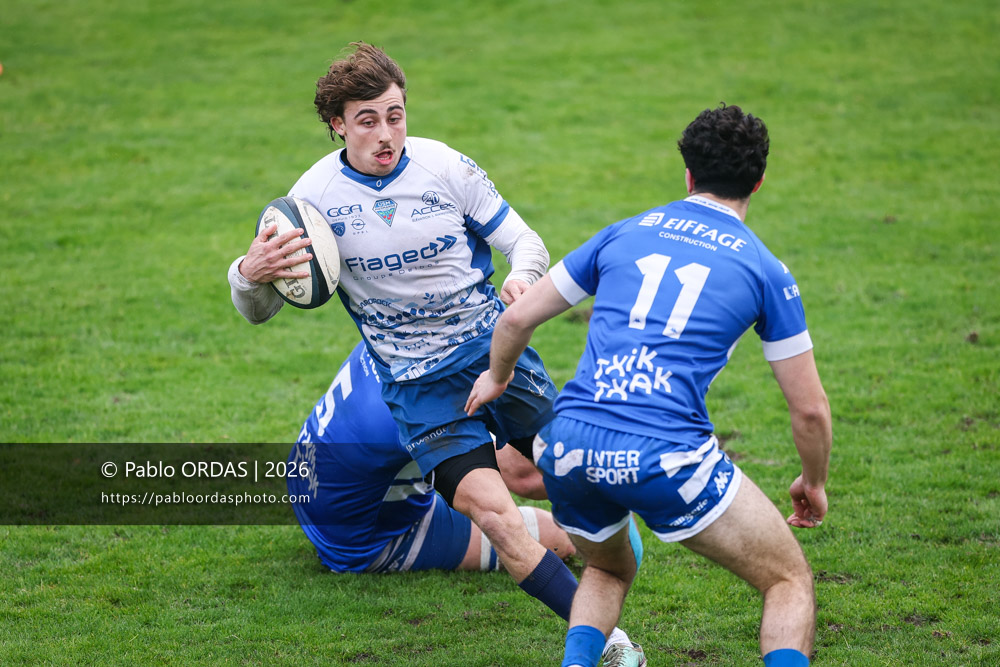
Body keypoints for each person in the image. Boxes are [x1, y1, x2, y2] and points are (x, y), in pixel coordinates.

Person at [229, 43, 645, 665]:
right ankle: (607, 644)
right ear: (337, 124)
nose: (386, 133)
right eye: (367, 119)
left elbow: (524, 241)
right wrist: (248, 271)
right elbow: (260, 309)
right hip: (417, 388)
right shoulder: (310, 202)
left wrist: (524, 278)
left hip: (493, 353)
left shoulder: (444, 167)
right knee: (498, 518)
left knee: (575, 476)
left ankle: (636, 537)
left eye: (395, 115)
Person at [466, 103, 832, 667]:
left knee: (607, 566)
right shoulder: (767, 270)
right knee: (787, 580)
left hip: (566, 447)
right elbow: (809, 412)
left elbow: (515, 319)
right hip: (666, 455)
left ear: (687, 175)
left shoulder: (624, 232)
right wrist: (813, 482)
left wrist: (498, 376)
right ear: (758, 181)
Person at [286, 341, 574, 573]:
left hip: (306, 478)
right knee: (557, 538)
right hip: (359, 536)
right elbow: (524, 477)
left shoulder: (387, 331)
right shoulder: (422, 407)